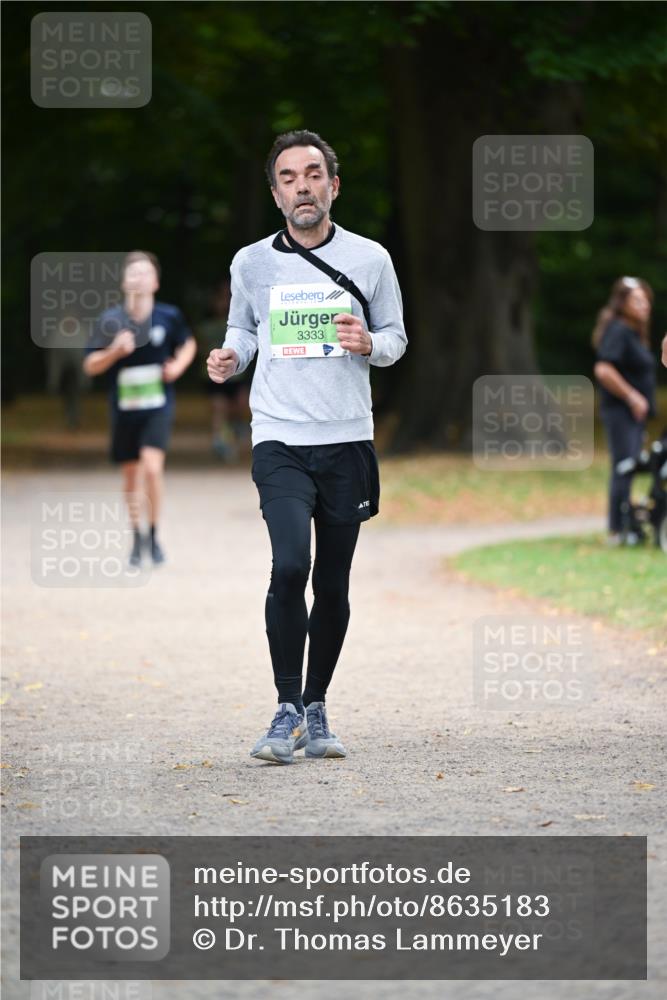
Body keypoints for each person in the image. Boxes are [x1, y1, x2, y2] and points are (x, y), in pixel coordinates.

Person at [207, 130, 407, 764]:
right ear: (275, 193)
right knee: (291, 564)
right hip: (280, 438)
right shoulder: (251, 263)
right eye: (289, 177)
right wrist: (230, 356)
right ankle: (286, 707)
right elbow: (244, 328)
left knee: (334, 580)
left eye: (314, 174)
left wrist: (369, 344)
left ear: (333, 185)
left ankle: (316, 707)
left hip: (347, 439)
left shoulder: (371, 258)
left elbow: (397, 336)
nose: (303, 186)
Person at [83, 251, 196, 566]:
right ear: (123, 281)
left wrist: (178, 366)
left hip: (158, 404)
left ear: (156, 282)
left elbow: (188, 343)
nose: (138, 278)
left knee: (152, 467)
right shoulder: (110, 321)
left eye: (145, 273)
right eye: (132, 273)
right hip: (124, 408)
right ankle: (137, 537)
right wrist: (114, 352)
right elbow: (90, 365)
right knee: (131, 477)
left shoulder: (168, 316)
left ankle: (155, 534)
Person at [592, 276, 657, 545]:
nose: (643, 306)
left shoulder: (634, 333)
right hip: (620, 412)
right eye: (636, 300)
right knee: (623, 467)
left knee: (629, 466)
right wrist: (632, 397)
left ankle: (629, 525)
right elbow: (603, 369)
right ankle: (617, 530)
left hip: (633, 417)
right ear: (623, 303)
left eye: (646, 301)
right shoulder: (618, 331)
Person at [197, 279, 251, 460]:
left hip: (238, 375)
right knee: (219, 408)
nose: (224, 302)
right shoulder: (206, 325)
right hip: (214, 376)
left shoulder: (242, 317)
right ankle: (220, 441)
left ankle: (234, 432)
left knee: (240, 407)